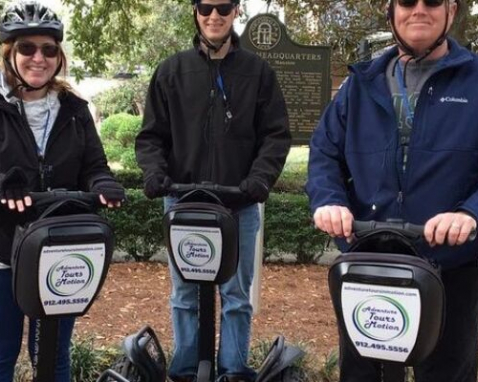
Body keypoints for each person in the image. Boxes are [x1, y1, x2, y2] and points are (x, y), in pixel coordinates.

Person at [306, 0, 478, 381]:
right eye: (406, 1)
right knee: (365, 373)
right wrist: (329, 200)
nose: (419, 9)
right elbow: (324, 152)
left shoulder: (475, 80)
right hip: (370, 258)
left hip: (450, 264)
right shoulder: (360, 84)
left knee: (448, 372)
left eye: (432, 0)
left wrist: (469, 213)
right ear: (391, 11)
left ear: (451, 9)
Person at [135, 0, 291, 381]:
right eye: (206, 7)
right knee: (184, 295)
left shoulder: (257, 72)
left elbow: (275, 135)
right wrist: (155, 173)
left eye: (223, 7)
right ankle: (186, 371)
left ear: (236, 11)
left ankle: (234, 371)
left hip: (237, 204)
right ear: (195, 11)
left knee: (237, 297)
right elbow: (151, 136)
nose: (214, 16)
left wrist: (259, 180)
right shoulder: (172, 70)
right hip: (183, 203)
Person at [0, 1, 125, 381]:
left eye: (49, 49)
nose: (38, 57)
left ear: (59, 56)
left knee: (53, 356)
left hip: (62, 248)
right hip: (4, 250)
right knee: (1, 354)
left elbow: (94, 166)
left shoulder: (74, 108)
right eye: (27, 48)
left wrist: (102, 183)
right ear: (10, 53)